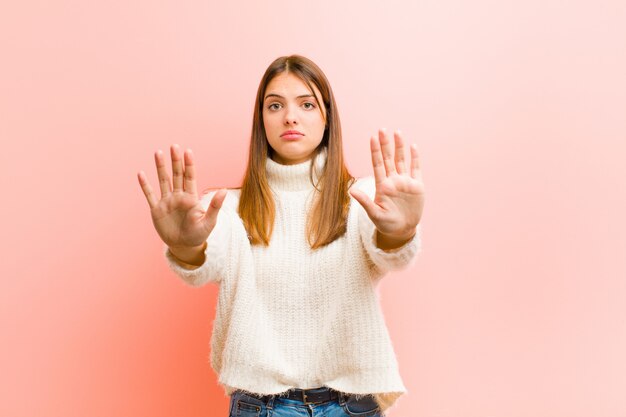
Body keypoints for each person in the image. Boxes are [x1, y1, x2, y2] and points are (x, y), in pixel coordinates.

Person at [137, 54, 425, 417]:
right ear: (262, 121)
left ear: (326, 118)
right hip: (262, 408)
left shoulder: (364, 199)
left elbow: (388, 251)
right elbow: (201, 264)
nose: (290, 116)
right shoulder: (225, 208)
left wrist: (400, 231)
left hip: (352, 406)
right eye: (275, 105)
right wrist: (184, 244)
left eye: (306, 104)